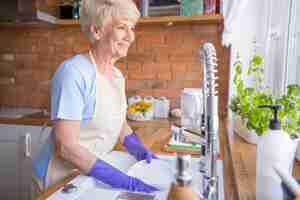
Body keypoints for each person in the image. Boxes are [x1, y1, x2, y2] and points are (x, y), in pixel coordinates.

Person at [33, 0, 158, 193]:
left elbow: (119, 124)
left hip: (87, 175)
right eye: (121, 28)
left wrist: (139, 150)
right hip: (59, 181)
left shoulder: (116, 75)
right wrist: (123, 181)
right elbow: (66, 147)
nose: (130, 37)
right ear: (96, 31)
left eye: (132, 28)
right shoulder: (74, 73)